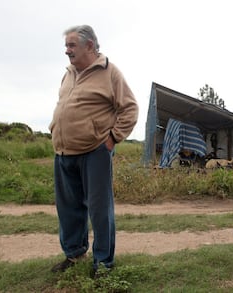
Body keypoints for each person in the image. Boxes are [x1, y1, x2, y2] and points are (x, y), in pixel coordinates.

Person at [49, 25, 139, 275]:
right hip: (64, 152)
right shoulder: (68, 74)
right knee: (68, 209)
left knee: (99, 210)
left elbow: (129, 108)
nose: (67, 50)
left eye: (71, 45)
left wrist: (112, 139)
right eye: (66, 45)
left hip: (94, 151)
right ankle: (74, 254)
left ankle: (103, 262)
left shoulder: (109, 72)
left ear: (89, 45)